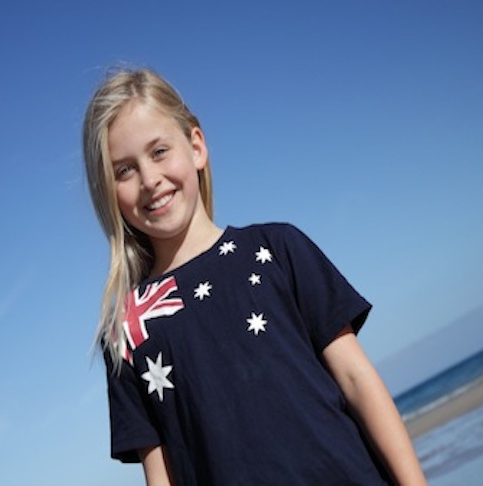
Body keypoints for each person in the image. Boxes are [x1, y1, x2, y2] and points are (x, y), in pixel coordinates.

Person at [82, 67, 427, 485]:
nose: (150, 180)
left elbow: (356, 380)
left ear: (196, 147)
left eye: (159, 152)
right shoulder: (126, 328)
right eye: (124, 170)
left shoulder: (279, 248)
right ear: (108, 191)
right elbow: (160, 474)